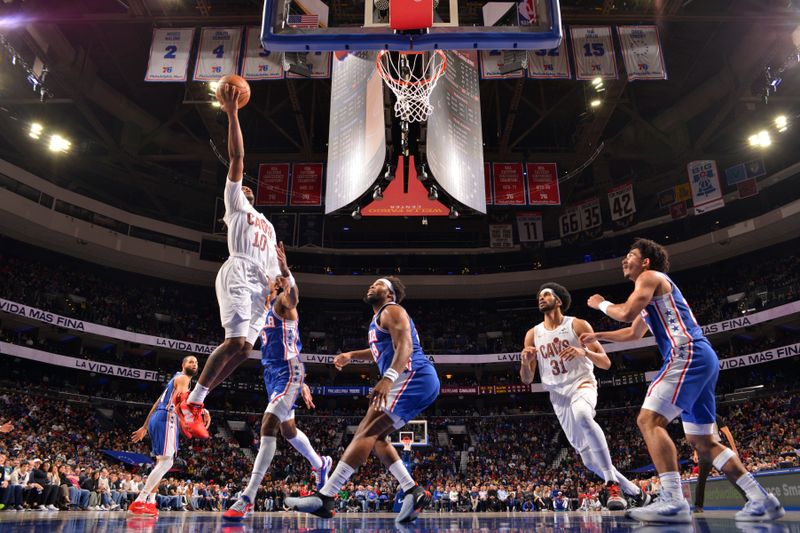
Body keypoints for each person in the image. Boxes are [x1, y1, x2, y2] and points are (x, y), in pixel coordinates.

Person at [583, 238, 785, 523]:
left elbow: (625, 311)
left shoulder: (650, 278)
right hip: (701, 357)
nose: (623, 260)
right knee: (702, 441)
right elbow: (633, 332)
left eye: (630, 255)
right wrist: (599, 336)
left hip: (685, 353)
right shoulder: (649, 291)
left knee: (648, 420)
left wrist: (600, 304)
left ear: (646, 262)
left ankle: (673, 500)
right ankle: (761, 499)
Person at [286, 277, 440, 524]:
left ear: (389, 294)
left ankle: (326, 496)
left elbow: (406, 346)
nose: (372, 286)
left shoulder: (393, 310)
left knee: (364, 433)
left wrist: (388, 378)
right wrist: (351, 355)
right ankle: (412, 490)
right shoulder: (379, 319)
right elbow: (379, 349)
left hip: (413, 376)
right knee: (377, 437)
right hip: (413, 380)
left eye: (378, 284)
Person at [177, 83, 281, 439]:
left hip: (261, 287)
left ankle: (199, 400)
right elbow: (237, 158)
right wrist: (233, 113)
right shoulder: (235, 204)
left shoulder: (267, 225)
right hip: (238, 271)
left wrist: (278, 283)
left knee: (245, 349)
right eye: (241, 186)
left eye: (247, 188)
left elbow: (276, 275)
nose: (243, 186)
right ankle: (192, 401)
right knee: (235, 342)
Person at [520, 282, 649, 508]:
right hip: (558, 396)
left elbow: (606, 363)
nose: (541, 298)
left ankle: (612, 484)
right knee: (589, 461)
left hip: (582, 383)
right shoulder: (532, 334)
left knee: (582, 414)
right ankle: (637, 493)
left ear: (558, 301)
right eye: (539, 296)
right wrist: (525, 362)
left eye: (546, 294)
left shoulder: (577, 324)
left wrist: (584, 351)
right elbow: (527, 379)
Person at [223, 257, 332, 521]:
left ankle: (247, 497)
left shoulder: (283, 304)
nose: (265, 283)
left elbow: (293, 297)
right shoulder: (264, 310)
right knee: (288, 430)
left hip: (287, 372)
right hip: (274, 375)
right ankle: (321, 464)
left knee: (268, 425)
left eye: (270, 280)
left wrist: (286, 273)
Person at [129, 356, 209, 517]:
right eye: (190, 362)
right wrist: (203, 411)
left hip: (158, 417)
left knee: (162, 462)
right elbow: (183, 402)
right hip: (167, 418)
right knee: (167, 462)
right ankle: (140, 500)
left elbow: (156, 403)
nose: (194, 364)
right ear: (183, 364)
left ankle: (151, 502)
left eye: (196, 363)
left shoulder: (174, 379)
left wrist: (145, 426)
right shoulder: (183, 378)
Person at [693, 414, 747, 512]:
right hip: (703, 450)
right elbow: (695, 437)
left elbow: (727, 433)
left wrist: (734, 449)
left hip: (716, 447)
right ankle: (698, 506)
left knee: (731, 474)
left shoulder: (715, 416)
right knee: (701, 479)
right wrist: (695, 452)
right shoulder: (697, 417)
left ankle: (748, 500)